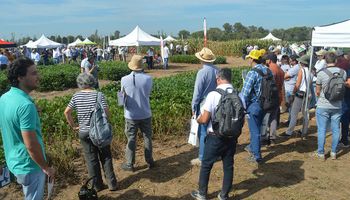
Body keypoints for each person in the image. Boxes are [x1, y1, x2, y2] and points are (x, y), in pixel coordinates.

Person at [0, 57, 55, 199]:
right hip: (30, 165)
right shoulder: (25, 105)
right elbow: (30, 145)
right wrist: (45, 167)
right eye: (33, 73)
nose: (39, 76)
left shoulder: (5, 98)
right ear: (20, 77)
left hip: (14, 160)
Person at [191, 68, 239, 200]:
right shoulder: (237, 94)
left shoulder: (213, 94)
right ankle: (224, 195)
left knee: (206, 165)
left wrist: (197, 118)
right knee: (228, 166)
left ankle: (202, 194)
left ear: (218, 79)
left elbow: (205, 119)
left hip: (215, 137)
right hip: (232, 137)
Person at [64, 73, 117, 191]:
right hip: (99, 132)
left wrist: (74, 126)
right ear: (92, 82)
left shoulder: (76, 96)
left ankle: (97, 186)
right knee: (106, 157)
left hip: (84, 132)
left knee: (91, 159)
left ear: (80, 83)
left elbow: (67, 112)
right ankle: (112, 184)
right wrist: (106, 123)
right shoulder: (99, 95)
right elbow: (106, 112)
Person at [120, 55, 154, 172]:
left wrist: (122, 104)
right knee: (147, 138)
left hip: (130, 115)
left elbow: (121, 97)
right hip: (145, 113)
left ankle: (130, 164)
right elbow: (148, 94)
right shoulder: (148, 78)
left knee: (131, 139)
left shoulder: (124, 79)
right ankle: (149, 161)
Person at [314, 52, 347, 160]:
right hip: (337, 105)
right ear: (336, 60)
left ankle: (321, 153)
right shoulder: (343, 72)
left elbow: (317, 91)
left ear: (325, 61)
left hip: (323, 105)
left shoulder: (321, 73)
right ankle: (333, 152)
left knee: (322, 129)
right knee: (336, 129)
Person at [242, 49, 271, 164]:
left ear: (253, 59)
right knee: (259, 128)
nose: (248, 60)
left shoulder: (252, 73)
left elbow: (245, 93)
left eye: (249, 58)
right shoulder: (267, 70)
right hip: (266, 104)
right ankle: (252, 147)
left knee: (255, 131)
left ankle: (256, 156)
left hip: (254, 105)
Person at [191, 47, 218, 166]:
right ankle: (215, 154)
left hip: (204, 104)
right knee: (214, 130)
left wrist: (193, 106)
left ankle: (202, 157)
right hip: (217, 102)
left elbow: (197, 92)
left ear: (202, 60)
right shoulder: (218, 70)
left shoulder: (202, 72)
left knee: (203, 131)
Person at [280, 55, 311, 137]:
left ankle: (289, 132)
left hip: (300, 93)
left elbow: (298, 84)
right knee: (305, 113)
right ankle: (304, 130)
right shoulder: (311, 70)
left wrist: (293, 93)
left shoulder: (302, 70)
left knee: (294, 113)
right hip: (308, 94)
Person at [264, 53, 284, 143]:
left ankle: (266, 136)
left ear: (270, 60)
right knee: (274, 118)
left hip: (270, 97)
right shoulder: (281, 70)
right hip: (278, 96)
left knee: (266, 117)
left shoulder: (270, 70)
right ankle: (272, 137)